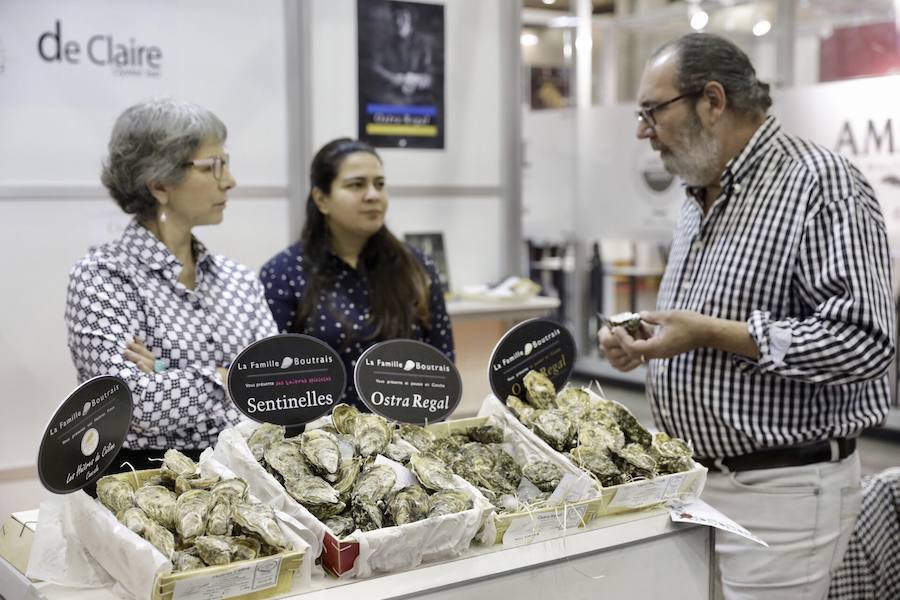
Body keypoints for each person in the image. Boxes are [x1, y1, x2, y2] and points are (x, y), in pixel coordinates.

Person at [598, 33, 895, 599]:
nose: (642, 130)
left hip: (781, 490)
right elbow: (701, 324)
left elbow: (865, 341)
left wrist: (710, 334)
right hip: (693, 482)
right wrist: (645, 344)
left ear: (712, 101)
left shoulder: (819, 185)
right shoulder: (697, 194)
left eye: (652, 112)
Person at [65, 99, 277, 475]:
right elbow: (133, 407)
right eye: (213, 166)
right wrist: (227, 377)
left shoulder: (239, 279)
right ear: (159, 184)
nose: (229, 180)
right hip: (144, 487)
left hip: (252, 478)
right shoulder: (102, 277)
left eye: (225, 164)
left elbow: (275, 389)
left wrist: (164, 369)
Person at [260, 138, 454, 409]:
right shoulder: (284, 273)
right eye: (356, 185)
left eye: (380, 184)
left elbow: (441, 363)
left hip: (411, 437)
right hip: (322, 441)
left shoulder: (416, 266)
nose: (373, 195)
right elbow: (273, 377)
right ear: (321, 199)